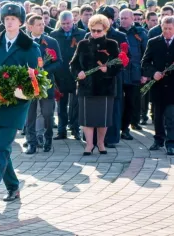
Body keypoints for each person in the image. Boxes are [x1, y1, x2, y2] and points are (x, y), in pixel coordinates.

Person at [0, 3, 41, 206]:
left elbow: (36, 77)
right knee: (1, 149)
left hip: (17, 103)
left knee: (1, 147)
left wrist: (21, 90)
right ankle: (14, 187)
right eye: (6, 19)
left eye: (13, 19)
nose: (9, 21)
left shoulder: (30, 46)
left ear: (21, 22)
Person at [71, 14, 121, 155]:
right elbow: (73, 64)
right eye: (93, 30)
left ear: (105, 30)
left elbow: (118, 65)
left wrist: (108, 70)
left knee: (103, 118)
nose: (95, 33)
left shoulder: (112, 44)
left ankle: (100, 143)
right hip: (86, 87)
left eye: (99, 31)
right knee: (87, 118)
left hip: (105, 87)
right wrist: (78, 73)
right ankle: (89, 144)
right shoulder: (83, 44)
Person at [25, 15, 61, 154]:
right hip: (28, 83)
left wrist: (44, 71)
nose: (42, 26)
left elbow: (59, 62)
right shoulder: (24, 42)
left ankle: (48, 140)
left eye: (43, 24)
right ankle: (31, 143)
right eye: (38, 24)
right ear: (30, 27)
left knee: (47, 114)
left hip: (46, 83)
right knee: (30, 115)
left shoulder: (51, 41)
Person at [142, 16, 174, 155]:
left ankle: (171, 142)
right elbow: (145, 63)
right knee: (158, 115)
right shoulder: (154, 42)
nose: (167, 31)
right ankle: (158, 139)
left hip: (173, 86)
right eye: (165, 28)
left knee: (171, 116)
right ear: (161, 27)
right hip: (158, 85)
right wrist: (153, 72)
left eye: (170, 29)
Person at [50, 11, 85, 141]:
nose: (66, 26)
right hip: (60, 74)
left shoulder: (81, 34)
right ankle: (61, 130)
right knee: (61, 105)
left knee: (76, 104)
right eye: (63, 23)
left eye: (68, 23)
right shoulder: (54, 35)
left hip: (76, 73)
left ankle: (75, 129)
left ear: (73, 21)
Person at [118, 9, 148, 139]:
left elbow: (146, 55)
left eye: (126, 18)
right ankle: (116, 128)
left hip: (134, 74)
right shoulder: (115, 33)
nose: (123, 20)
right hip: (118, 74)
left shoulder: (140, 33)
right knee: (118, 102)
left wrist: (145, 74)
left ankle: (125, 129)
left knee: (131, 102)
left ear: (132, 19)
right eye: (121, 18)